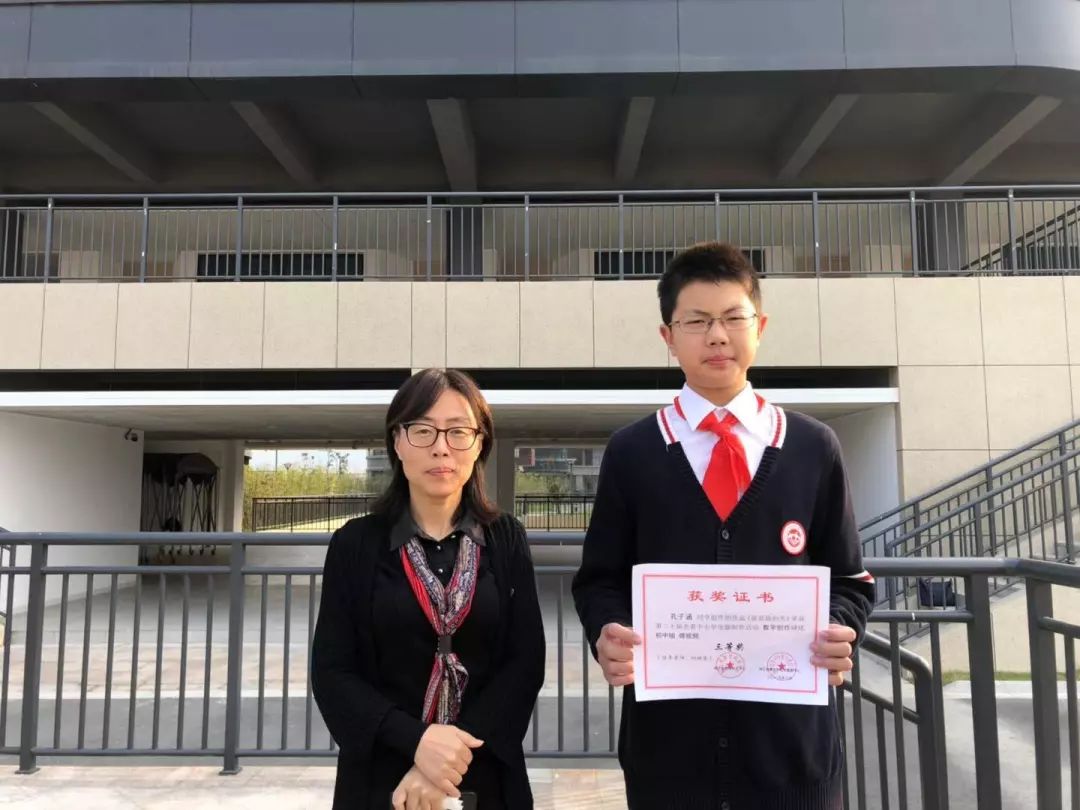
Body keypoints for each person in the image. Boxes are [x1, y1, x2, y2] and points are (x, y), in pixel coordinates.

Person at [572, 242, 875, 810]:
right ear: (668, 336)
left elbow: (850, 581)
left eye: (734, 318)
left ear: (760, 326)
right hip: (668, 754)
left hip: (791, 755)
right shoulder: (633, 452)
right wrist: (606, 631)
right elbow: (598, 580)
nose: (717, 336)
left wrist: (838, 628)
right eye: (696, 321)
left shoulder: (813, 447)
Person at [312, 368, 545, 810]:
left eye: (458, 431)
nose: (441, 447)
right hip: (383, 774)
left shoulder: (506, 539)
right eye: (423, 430)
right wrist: (417, 743)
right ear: (397, 442)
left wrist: (444, 761)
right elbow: (333, 671)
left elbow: (525, 662)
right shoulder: (355, 544)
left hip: (485, 769)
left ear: (480, 444)